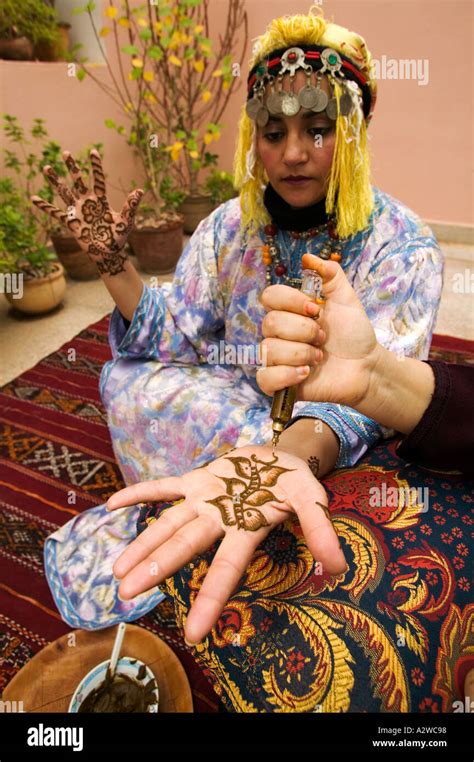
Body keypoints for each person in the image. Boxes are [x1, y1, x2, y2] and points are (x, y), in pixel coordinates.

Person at [31, 8, 461, 712]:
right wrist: (116, 267)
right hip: (235, 402)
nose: (294, 153)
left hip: (334, 433)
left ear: (349, 136)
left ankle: (240, 497)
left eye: (317, 130)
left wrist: (290, 452)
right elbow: (177, 331)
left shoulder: (404, 244)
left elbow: (377, 390)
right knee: (124, 380)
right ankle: (223, 497)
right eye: (275, 131)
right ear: (253, 138)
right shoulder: (230, 226)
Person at [256, 253, 474, 478]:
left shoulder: (409, 254)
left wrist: (291, 452)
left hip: (311, 431)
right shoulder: (227, 226)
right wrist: (370, 373)